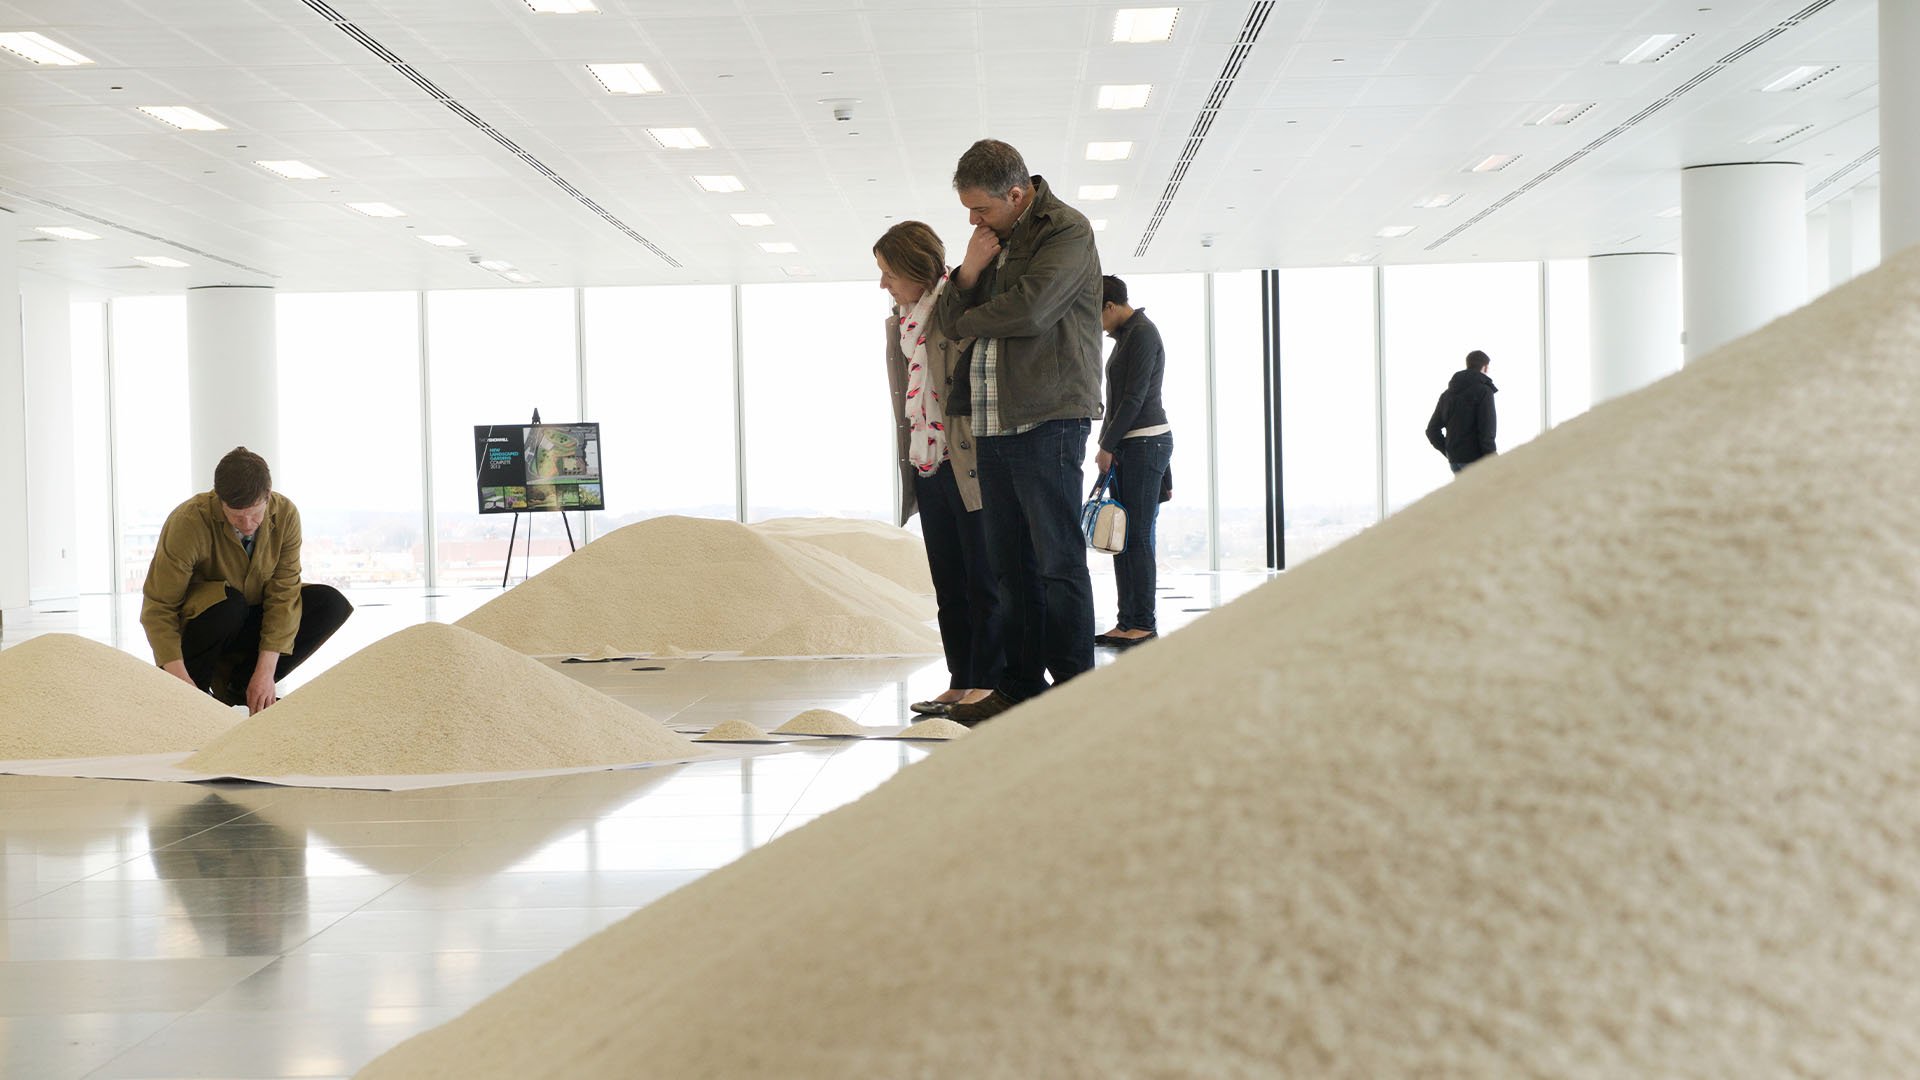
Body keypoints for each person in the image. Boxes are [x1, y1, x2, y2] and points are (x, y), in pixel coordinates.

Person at [934, 139, 1103, 725]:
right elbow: (952, 315)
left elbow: (1030, 312)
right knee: (1009, 565)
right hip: (992, 417)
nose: (974, 222)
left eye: (981, 209)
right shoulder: (993, 240)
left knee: (1056, 559)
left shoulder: (1066, 231)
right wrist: (973, 268)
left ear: (1016, 194)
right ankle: (1019, 687)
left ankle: (1077, 693)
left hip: (1047, 414)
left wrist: (966, 309)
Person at [875, 220, 1005, 717]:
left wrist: (969, 267)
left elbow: (963, 316)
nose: (883, 284)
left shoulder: (955, 306)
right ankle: (961, 678)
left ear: (915, 267)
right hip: (927, 462)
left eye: (889, 272)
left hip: (965, 459)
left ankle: (988, 682)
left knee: (982, 579)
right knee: (948, 581)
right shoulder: (905, 321)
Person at [140, 446, 353, 714]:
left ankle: (242, 687)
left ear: (268, 495)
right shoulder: (188, 522)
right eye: (237, 516)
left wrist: (265, 674)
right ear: (219, 500)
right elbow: (158, 608)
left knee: (330, 603)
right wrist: (181, 684)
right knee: (231, 603)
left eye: (255, 513)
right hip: (206, 626)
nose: (248, 523)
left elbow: (283, 593)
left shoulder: (286, 515)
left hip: (251, 618)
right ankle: (199, 692)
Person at [1091, 275, 1173, 650]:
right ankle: (1127, 622)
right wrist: (1109, 444)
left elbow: (1137, 398)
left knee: (1136, 537)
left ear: (1110, 305)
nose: (1097, 323)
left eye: (1097, 313)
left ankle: (1143, 623)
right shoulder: (1127, 336)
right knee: (1122, 538)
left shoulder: (1141, 333)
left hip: (1143, 444)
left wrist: (1106, 445)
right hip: (1133, 446)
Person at [1425, 349, 1498, 474]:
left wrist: (1449, 451)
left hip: (1455, 461)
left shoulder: (1447, 394)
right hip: (1476, 461)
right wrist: (1493, 460)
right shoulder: (1484, 391)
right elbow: (1487, 431)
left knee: (1467, 494)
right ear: (1485, 368)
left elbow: (1432, 430)